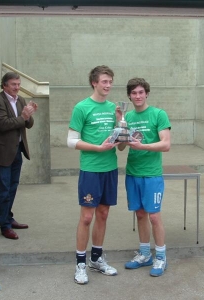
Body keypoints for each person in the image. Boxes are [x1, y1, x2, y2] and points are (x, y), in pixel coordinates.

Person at [67, 65, 121, 285]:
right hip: (90, 169)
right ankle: (80, 263)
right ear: (94, 83)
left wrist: (121, 124)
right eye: (104, 81)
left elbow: (119, 142)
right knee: (87, 217)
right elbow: (71, 141)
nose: (108, 85)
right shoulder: (82, 107)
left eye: (110, 81)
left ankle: (96, 259)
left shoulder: (113, 108)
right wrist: (97, 148)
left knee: (103, 214)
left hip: (110, 169)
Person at [118, 77, 171, 277]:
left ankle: (161, 256)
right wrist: (120, 125)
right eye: (134, 93)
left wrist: (143, 146)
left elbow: (166, 144)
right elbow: (122, 146)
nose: (138, 96)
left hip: (152, 174)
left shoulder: (158, 114)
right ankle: (145, 254)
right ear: (129, 96)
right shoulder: (128, 116)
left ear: (146, 93)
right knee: (140, 214)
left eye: (141, 92)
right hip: (133, 172)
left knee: (154, 216)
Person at [0, 72, 38, 240]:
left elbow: (28, 125)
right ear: (4, 85)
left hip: (17, 150)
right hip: (1, 153)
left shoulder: (20, 100)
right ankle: (4, 225)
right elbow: (3, 125)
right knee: (2, 190)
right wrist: (23, 117)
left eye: (18, 84)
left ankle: (8, 217)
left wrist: (28, 116)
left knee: (12, 187)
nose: (17, 87)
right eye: (13, 84)